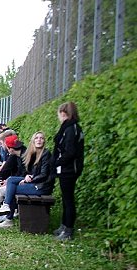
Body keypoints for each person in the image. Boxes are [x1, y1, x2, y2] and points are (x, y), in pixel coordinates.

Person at [0, 131, 54, 228]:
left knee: (11, 190)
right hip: (35, 182)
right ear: (33, 141)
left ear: (44, 141)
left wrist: (29, 179)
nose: (39, 140)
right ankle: (6, 208)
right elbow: (32, 171)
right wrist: (28, 176)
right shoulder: (34, 153)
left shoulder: (46, 154)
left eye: (41, 138)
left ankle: (8, 216)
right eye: (36, 138)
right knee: (11, 180)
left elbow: (44, 174)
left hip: (42, 186)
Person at [52, 101, 84, 241]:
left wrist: (57, 162)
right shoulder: (71, 128)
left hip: (69, 169)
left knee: (68, 199)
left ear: (63, 113)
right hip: (67, 168)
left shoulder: (71, 129)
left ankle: (68, 229)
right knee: (66, 199)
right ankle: (64, 225)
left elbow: (70, 151)